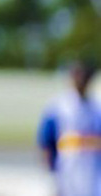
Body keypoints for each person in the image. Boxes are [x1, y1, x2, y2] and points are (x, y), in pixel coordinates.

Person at [38, 59, 101, 196]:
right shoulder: (59, 105)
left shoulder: (97, 107)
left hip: (92, 168)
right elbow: (46, 139)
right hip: (67, 165)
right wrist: (49, 167)